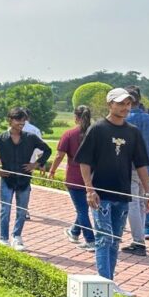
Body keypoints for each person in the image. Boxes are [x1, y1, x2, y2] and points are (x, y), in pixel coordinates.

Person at [76, 88, 149, 297]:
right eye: (120, 103)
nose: (125, 107)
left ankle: (110, 283)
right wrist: (89, 190)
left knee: (115, 239)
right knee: (103, 238)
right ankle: (105, 284)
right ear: (110, 104)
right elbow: (84, 162)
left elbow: (141, 164)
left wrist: (148, 192)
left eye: (128, 104)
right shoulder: (98, 130)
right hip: (100, 194)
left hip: (122, 194)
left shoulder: (133, 132)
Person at [0, 107, 52, 251]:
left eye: (23, 120)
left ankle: (17, 236)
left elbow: (48, 150)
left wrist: (36, 164)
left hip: (24, 180)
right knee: (5, 210)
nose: (21, 122)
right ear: (10, 120)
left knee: (21, 210)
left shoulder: (30, 138)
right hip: (7, 180)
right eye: (18, 120)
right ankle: (3, 238)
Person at [122, 86, 149, 255]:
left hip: (129, 167)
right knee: (142, 202)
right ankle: (143, 232)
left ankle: (138, 240)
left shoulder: (124, 120)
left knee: (133, 203)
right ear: (140, 99)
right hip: (148, 167)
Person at [49, 106, 97, 251]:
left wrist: (52, 170)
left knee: (81, 210)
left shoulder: (69, 134)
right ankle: (74, 232)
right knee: (83, 209)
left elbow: (59, 155)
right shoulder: (95, 133)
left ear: (75, 117)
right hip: (93, 177)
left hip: (75, 177)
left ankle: (90, 240)